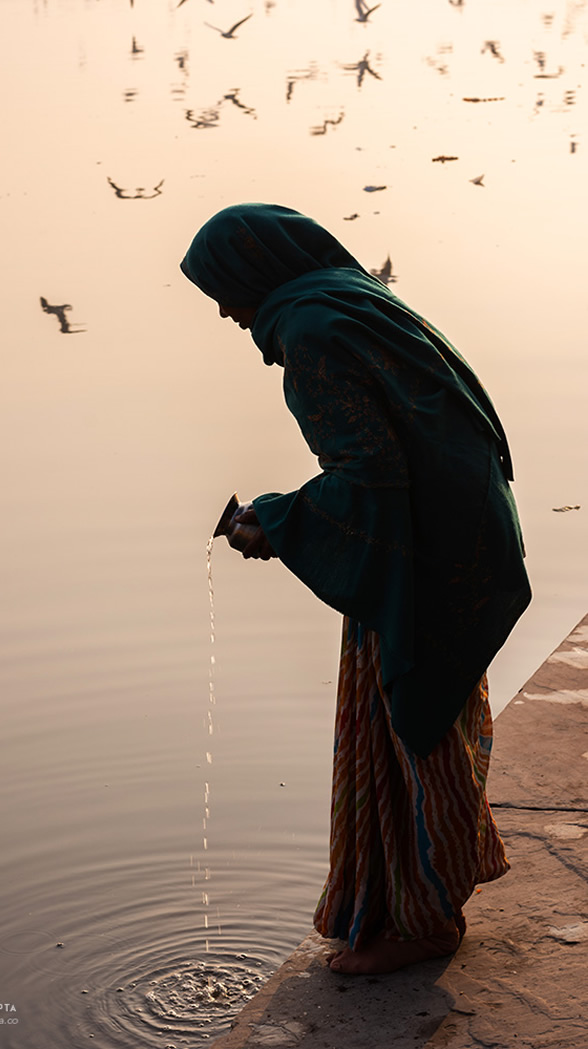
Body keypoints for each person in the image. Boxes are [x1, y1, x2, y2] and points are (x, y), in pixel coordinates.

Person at [181, 203, 531, 975]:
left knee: (416, 715)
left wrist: (275, 522)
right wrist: (290, 521)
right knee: (417, 710)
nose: (223, 310)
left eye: (223, 290)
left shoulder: (312, 334)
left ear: (253, 273)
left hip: (429, 550)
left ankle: (427, 918)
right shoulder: (352, 296)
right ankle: (404, 901)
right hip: (459, 530)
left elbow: (371, 481)